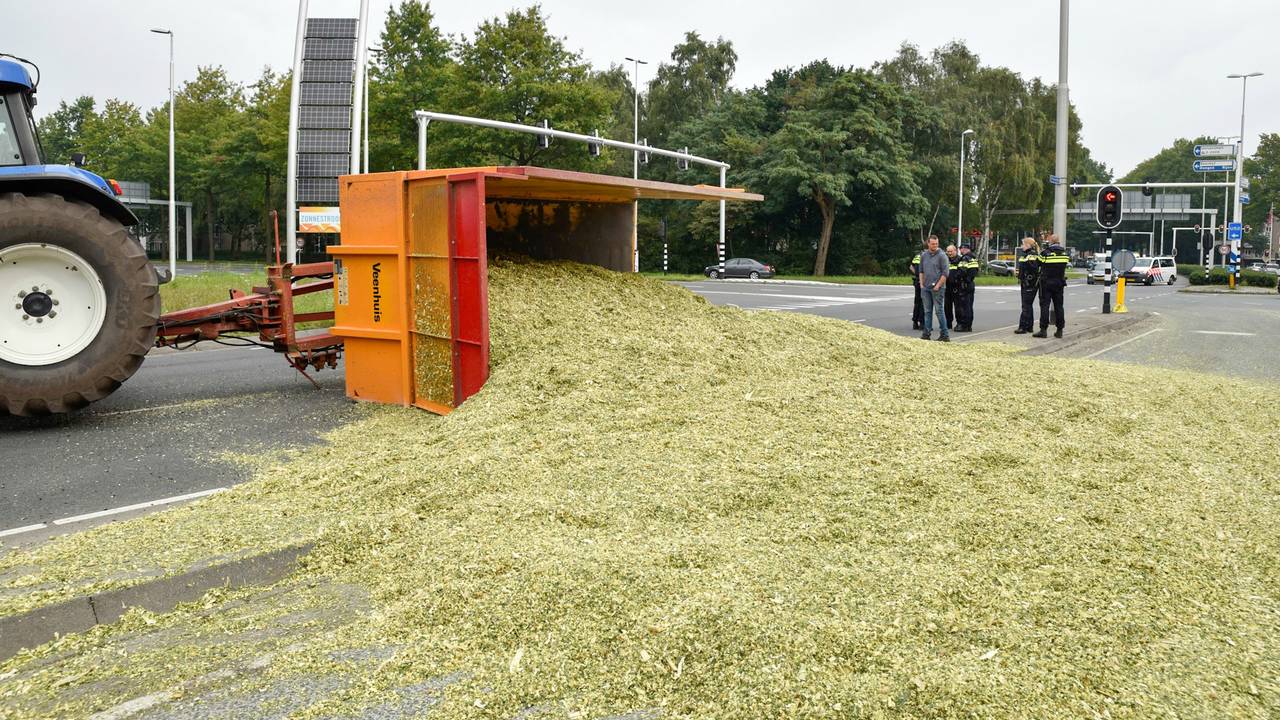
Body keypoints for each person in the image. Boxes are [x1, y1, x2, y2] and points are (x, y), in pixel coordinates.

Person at [1033, 234, 1070, 338]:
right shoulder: (1064, 253)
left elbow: (1037, 264)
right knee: (1059, 306)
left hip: (1046, 283)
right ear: (1058, 241)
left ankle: (1043, 330)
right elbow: (1065, 264)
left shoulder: (1045, 253)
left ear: (1050, 241)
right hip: (1059, 283)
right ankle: (1060, 330)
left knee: (1045, 306)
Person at [918, 235, 950, 342]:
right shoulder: (924, 255)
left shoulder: (942, 256)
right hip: (926, 288)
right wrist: (921, 285)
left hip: (938, 288)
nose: (935, 246)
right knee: (927, 311)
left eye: (936, 244)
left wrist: (938, 285)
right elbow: (921, 271)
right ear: (928, 243)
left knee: (939, 311)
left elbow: (945, 273)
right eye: (933, 244)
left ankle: (945, 334)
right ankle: (926, 333)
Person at [1014, 236, 1041, 334]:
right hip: (1026, 282)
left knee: (1026, 305)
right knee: (1028, 305)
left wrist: (1027, 279)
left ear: (1027, 245)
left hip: (1029, 283)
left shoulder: (1031, 255)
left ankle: (1023, 327)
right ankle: (1029, 326)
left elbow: (1033, 269)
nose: (1021, 246)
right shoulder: (1025, 255)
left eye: (1023, 244)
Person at [954, 245, 979, 331]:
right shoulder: (973, 258)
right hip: (970, 283)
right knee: (969, 306)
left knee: (963, 306)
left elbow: (962, 271)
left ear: (964, 249)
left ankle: (963, 325)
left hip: (963, 284)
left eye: (960, 249)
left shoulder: (965, 259)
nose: (960, 251)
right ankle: (968, 325)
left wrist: (956, 278)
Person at [944, 244, 960, 331]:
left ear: (955, 251)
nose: (949, 253)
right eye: (948, 251)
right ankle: (948, 323)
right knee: (947, 306)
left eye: (951, 251)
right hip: (946, 287)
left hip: (956, 287)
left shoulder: (960, 260)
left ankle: (959, 323)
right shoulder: (945, 260)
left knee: (958, 307)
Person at [909, 244, 925, 330]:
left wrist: (916, 274)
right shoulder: (927, 256)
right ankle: (922, 323)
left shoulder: (917, 256)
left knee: (917, 301)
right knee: (924, 302)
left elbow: (911, 266)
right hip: (924, 281)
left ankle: (915, 322)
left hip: (917, 281)